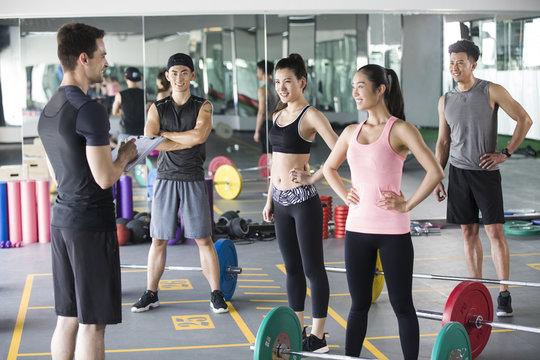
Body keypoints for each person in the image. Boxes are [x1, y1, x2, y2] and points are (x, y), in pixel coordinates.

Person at [323, 64, 444, 359]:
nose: (355, 92)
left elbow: (435, 171)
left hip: (393, 231)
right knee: (358, 305)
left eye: (360, 86)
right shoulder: (351, 131)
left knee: (402, 305)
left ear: (380, 89)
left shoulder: (401, 129)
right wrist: (344, 194)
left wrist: (407, 204)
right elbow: (328, 168)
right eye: (353, 86)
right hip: (356, 230)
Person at [37, 22, 138, 360]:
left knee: (67, 319)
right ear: (83, 58)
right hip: (90, 227)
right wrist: (124, 156)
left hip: (62, 221)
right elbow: (104, 178)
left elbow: (57, 173)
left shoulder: (49, 109)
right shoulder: (89, 109)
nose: (106, 62)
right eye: (102, 55)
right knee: (92, 324)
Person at [433, 39, 533, 317]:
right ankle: (477, 290)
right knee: (468, 232)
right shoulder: (446, 100)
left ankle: (504, 293)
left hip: (486, 174)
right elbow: (442, 142)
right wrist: (438, 177)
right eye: (451, 62)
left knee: (495, 232)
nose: (454, 67)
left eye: (460, 62)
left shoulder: (491, 90)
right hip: (458, 174)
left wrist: (506, 152)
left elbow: (524, 119)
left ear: (473, 64)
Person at [131, 53, 228, 314]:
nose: (179, 77)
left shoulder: (203, 105)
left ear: (192, 75)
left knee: (204, 240)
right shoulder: (157, 108)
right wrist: (183, 138)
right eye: (174, 73)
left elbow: (200, 135)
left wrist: (168, 136)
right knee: (158, 239)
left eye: (184, 72)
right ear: (167, 76)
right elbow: (151, 139)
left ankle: (216, 293)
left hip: (193, 177)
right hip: (164, 178)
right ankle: (151, 293)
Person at [263, 53, 338, 353]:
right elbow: (274, 162)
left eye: (288, 81)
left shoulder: (311, 115)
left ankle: (318, 337)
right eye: (277, 82)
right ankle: (298, 329)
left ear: (302, 82)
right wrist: (269, 199)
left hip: (303, 201)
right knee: (291, 269)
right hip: (280, 201)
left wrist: (315, 177)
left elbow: (339, 149)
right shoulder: (276, 116)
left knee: (313, 269)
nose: (281, 87)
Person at [112, 66, 145, 141]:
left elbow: (114, 112)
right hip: (141, 132)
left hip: (126, 131)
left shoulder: (120, 95)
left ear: (125, 78)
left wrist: (125, 112)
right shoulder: (144, 94)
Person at [254, 60, 279, 156]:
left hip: (268, 125)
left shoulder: (262, 89)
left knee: (268, 155)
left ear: (262, 71)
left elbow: (261, 112)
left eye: (257, 71)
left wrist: (257, 131)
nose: (257, 74)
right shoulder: (277, 86)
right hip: (279, 122)